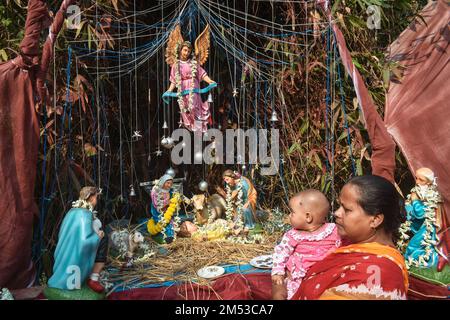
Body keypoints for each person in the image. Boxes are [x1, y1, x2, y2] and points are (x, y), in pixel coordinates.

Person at [292, 175, 409, 300]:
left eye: (347, 210)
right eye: (339, 206)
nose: (336, 213)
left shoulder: (378, 272)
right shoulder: (351, 248)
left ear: (375, 220)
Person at [271, 190, 341, 300]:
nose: (289, 215)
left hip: (326, 276)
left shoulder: (332, 230)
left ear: (308, 217)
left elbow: (342, 246)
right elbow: (281, 252)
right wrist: (278, 272)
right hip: (300, 278)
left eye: (292, 212)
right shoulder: (293, 235)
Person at [47, 187, 108, 293]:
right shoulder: (85, 214)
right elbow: (85, 241)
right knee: (104, 241)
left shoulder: (72, 211)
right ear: (91, 198)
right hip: (74, 255)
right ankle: (94, 277)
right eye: (96, 197)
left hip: (66, 251)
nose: (96, 200)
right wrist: (98, 237)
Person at [399, 167, 449, 270]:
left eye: (421, 180)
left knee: (414, 246)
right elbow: (411, 212)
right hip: (421, 227)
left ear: (429, 182)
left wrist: (415, 201)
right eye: (416, 178)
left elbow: (421, 213)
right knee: (413, 246)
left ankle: (426, 262)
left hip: (430, 230)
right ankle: (415, 262)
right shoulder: (418, 192)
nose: (417, 182)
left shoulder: (433, 196)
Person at [165, 41, 216, 133]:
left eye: (188, 51)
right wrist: (169, 90)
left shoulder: (193, 63)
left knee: (193, 107)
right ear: (180, 50)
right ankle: (192, 126)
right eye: (185, 50)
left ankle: (198, 126)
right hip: (183, 90)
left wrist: (209, 81)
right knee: (185, 109)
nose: (186, 53)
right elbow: (173, 80)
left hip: (193, 88)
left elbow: (202, 74)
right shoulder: (175, 65)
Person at [147, 174, 176, 243]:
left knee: (170, 223)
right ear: (163, 182)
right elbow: (156, 204)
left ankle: (170, 237)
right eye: (168, 183)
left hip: (166, 211)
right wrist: (167, 203)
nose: (169, 185)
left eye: (171, 184)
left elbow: (174, 197)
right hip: (158, 212)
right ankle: (163, 237)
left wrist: (175, 198)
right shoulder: (156, 190)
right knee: (162, 223)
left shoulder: (170, 190)